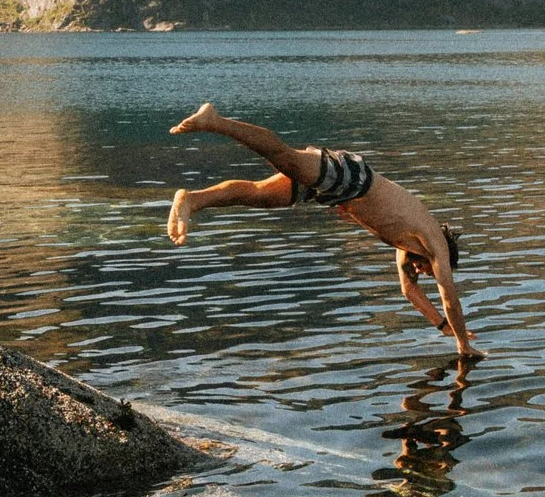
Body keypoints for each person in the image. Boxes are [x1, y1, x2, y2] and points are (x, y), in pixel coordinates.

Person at [165, 103, 480, 360]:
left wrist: (443, 327)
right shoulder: (434, 242)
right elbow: (450, 299)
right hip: (352, 179)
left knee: (259, 194)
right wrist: (463, 344)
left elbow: (409, 292)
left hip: (339, 193)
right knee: (284, 157)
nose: (422, 272)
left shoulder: (407, 247)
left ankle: (194, 199)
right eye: (427, 271)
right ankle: (215, 121)